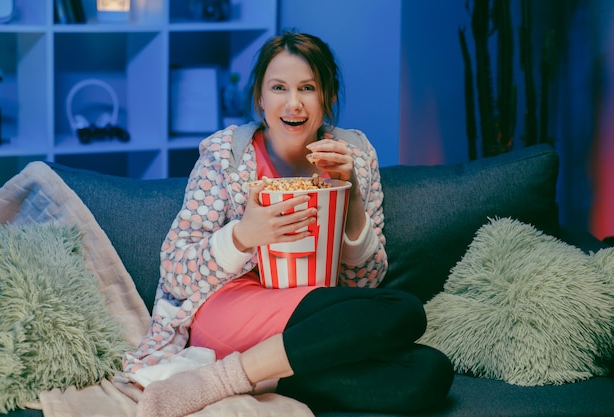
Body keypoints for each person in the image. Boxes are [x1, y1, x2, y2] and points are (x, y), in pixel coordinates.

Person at [127, 30, 454, 417]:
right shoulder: (226, 157)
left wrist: (349, 196)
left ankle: (245, 376)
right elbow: (175, 272)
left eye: (308, 88)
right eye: (279, 87)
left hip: (316, 323)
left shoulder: (357, 157)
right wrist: (244, 236)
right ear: (260, 98)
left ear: (328, 97)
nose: (293, 103)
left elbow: (366, 282)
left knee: (430, 372)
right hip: (230, 310)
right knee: (405, 311)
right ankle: (219, 381)